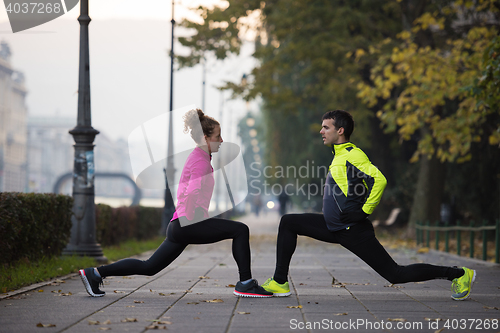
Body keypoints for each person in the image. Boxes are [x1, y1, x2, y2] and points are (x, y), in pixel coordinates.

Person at [261, 110, 475, 301]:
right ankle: (280, 282)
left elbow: (379, 180)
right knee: (289, 222)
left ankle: (458, 274)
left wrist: (363, 212)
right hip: (333, 226)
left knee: (395, 274)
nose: (321, 131)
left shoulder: (352, 154)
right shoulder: (339, 155)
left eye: (326, 127)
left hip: (351, 229)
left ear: (341, 130)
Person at [79, 109, 272, 298]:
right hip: (187, 223)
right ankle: (245, 283)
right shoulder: (201, 162)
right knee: (240, 230)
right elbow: (192, 191)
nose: (221, 141)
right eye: (218, 136)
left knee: (150, 267)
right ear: (206, 138)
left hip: (178, 225)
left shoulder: (199, 157)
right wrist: (193, 215)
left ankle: (95, 273)